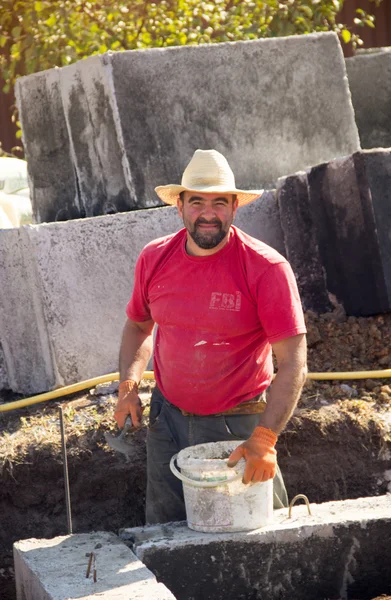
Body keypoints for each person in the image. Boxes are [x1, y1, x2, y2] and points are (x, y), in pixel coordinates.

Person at [115, 149, 307, 524]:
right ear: (180, 207)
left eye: (219, 202)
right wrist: (127, 387)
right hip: (167, 419)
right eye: (197, 202)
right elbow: (139, 326)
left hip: (238, 424)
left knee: (255, 530)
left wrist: (265, 438)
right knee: (167, 530)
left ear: (235, 207)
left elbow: (294, 363)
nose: (208, 213)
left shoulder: (265, 268)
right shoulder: (155, 258)